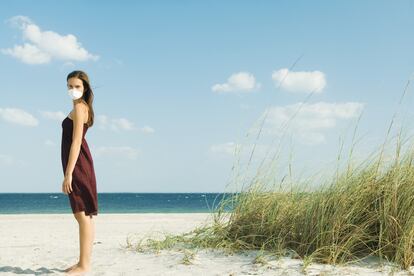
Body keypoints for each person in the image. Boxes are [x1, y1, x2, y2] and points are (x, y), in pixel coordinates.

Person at [60, 70, 98, 275]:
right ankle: (83, 262)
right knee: (85, 216)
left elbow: (76, 142)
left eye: (77, 86)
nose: (73, 90)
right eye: (69, 86)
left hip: (78, 165)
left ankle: (84, 265)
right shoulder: (80, 107)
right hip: (80, 164)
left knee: (81, 215)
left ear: (84, 88)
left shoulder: (81, 108)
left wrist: (68, 174)